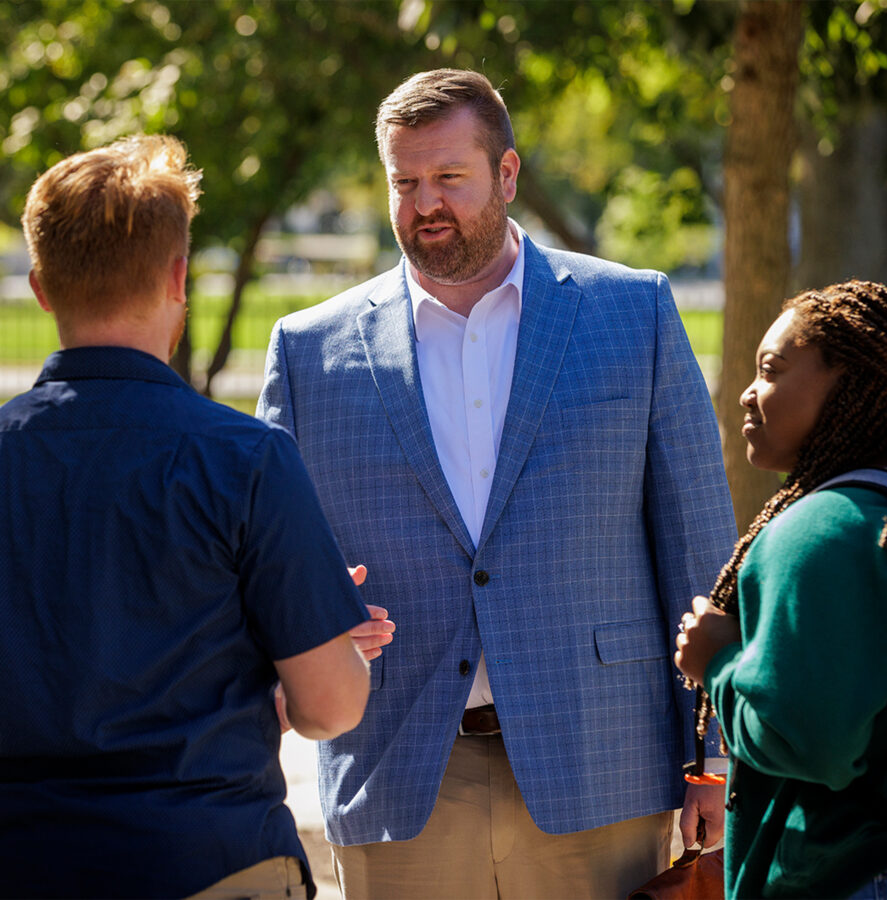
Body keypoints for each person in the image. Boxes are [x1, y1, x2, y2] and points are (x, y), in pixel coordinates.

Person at [258, 69, 736, 899]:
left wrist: (715, 756)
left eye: (450, 177)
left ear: (507, 175)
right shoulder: (309, 351)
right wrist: (319, 608)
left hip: (601, 767)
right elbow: (269, 560)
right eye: (404, 182)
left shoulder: (635, 313)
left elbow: (700, 554)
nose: (424, 203)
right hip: (399, 774)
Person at [0, 135, 372, 900]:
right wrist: (314, 636)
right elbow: (331, 708)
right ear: (179, 278)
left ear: (41, 287)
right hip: (213, 860)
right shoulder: (246, 460)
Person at [675, 280, 887, 899]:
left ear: (852, 384)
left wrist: (716, 661)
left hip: (848, 874)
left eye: (771, 370)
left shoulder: (820, 530)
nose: (748, 393)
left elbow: (807, 741)